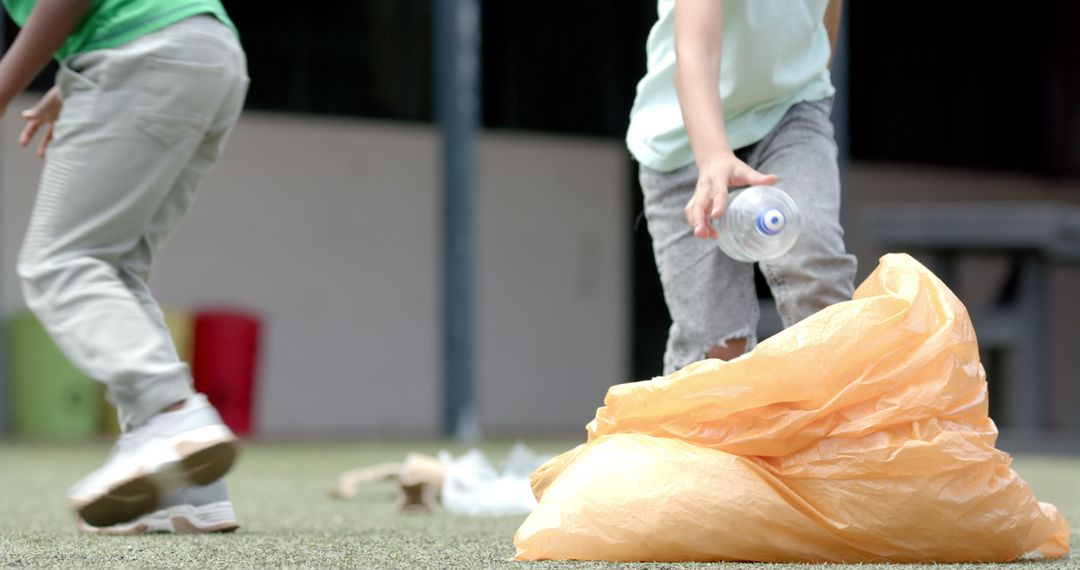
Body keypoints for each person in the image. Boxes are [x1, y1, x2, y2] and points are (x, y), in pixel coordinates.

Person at [0, 0, 249, 533]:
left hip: (143, 52)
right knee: (111, 268)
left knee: (61, 262)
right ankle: (188, 486)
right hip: (207, 53)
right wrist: (69, 81)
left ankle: (170, 415)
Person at [629, 0, 858, 373]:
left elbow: (827, 15)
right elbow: (696, 51)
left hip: (789, 111)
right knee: (717, 350)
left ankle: (835, 425)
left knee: (816, 267)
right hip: (685, 138)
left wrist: (811, 80)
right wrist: (713, 155)